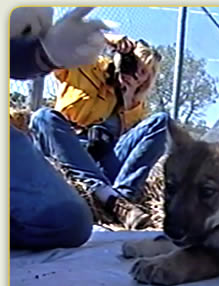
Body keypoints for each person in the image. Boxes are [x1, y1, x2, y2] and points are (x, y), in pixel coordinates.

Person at [28, 33, 169, 231]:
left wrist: (126, 101)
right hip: (68, 150)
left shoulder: (136, 106)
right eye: (134, 63)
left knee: (163, 122)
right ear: (121, 56)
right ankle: (109, 199)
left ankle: (121, 200)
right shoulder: (88, 67)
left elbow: (131, 153)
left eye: (144, 72)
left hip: (104, 160)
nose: (136, 73)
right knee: (43, 117)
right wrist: (105, 39)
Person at [10, 7, 109, 249]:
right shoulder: (95, 68)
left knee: (68, 222)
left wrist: (41, 55)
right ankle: (106, 195)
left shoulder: (130, 101)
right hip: (70, 136)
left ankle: (114, 198)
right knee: (46, 117)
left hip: (97, 150)